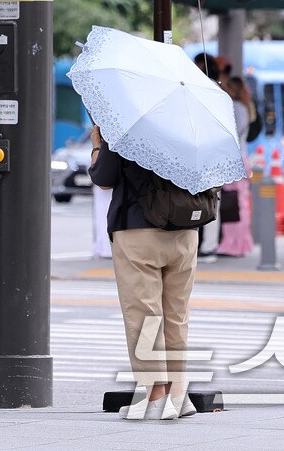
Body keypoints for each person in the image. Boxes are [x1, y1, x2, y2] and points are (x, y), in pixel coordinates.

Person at [89, 125, 201, 421]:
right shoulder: (194, 123)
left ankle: (155, 395)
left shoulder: (125, 121)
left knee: (144, 313)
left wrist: (97, 146)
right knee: (176, 315)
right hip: (184, 229)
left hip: (138, 228)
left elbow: (104, 178)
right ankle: (178, 393)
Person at [216, 77, 255, 257]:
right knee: (238, 204)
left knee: (233, 204)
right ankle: (237, 243)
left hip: (233, 160)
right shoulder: (244, 108)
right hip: (240, 159)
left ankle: (233, 244)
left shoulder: (235, 108)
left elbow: (231, 135)